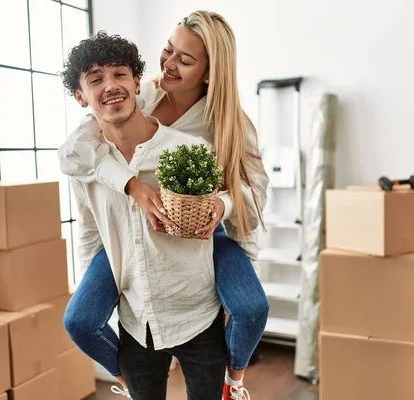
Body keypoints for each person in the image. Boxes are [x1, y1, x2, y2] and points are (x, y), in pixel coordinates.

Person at [61, 11, 269, 400]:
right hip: (128, 225)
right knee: (81, 319)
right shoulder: (140, 94)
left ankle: (234, 382)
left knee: (252, 305)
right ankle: (131, 378)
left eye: (185, 60)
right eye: (168, 50)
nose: (168, 65)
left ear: (210, 71)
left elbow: (252, 194)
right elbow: (76, 151)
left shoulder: (226, 124)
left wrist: (224, 217)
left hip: (205, 227)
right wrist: (133, 186)